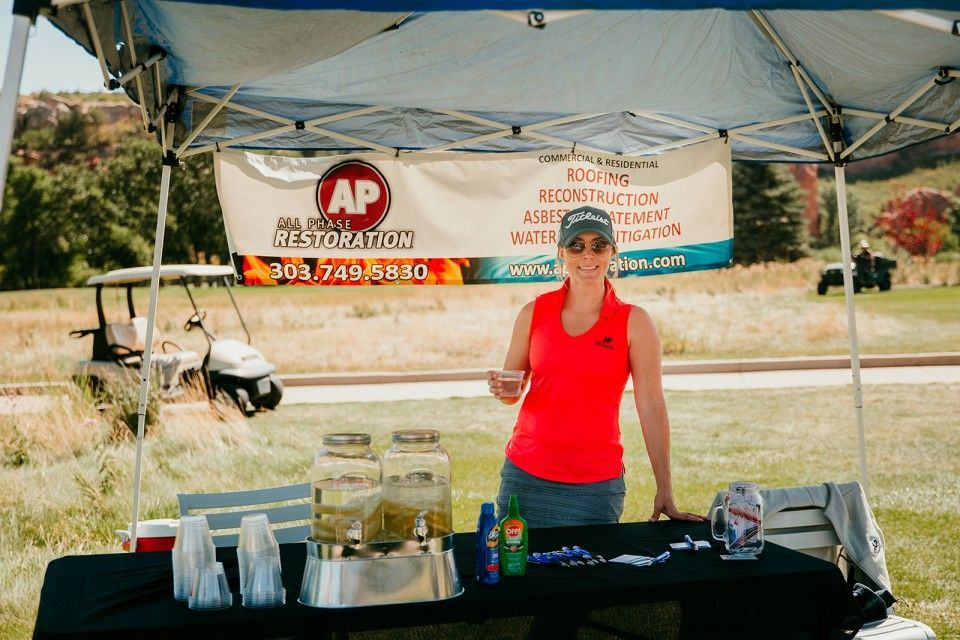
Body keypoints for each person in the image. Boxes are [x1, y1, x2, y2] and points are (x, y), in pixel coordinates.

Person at [487, 205, 703, 528]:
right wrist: (503, 390)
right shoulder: (533, 313)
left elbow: (652, 405)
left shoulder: (635, 322)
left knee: (590, 578)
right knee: (517, 575)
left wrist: (665, 486)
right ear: (561, 252)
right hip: (525, 478)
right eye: (576, 245)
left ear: (612, 251)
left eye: (598, 245)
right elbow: (511, 393)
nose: (587, 255)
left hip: (595, 488)